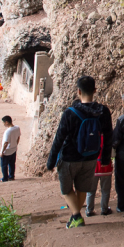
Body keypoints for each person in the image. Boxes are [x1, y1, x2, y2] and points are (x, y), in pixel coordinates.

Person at [46, 76, 113, 229]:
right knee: (82, 188)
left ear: (78, 91)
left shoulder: (70, 112)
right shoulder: (103, 111)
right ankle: (75, 217)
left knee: (66, 190)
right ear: (95, 91)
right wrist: (105, 158)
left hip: (69, 158)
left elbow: (59, 138)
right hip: (91, 158)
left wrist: (51, 161)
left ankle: (76, 216)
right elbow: (109, 136)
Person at [85, 134, 113, 217]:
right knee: (105, 190)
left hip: (93, 167)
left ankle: (89, 210)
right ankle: (104, 209)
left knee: (90, 191)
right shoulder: (108, 138)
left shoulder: (90, 138)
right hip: (106, 168)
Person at [0, 115, 20, 182]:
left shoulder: (8, 131)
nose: (3, 124)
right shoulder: (17, 128)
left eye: (3, 122)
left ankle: (5, 178)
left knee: (4, 165)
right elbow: (18, 137)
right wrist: (15, 145)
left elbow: (6, 143)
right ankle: (11, 176)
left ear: (7, 122)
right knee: (12, 164)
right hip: (13, 149)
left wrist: (2, 152)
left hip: (7, 151)